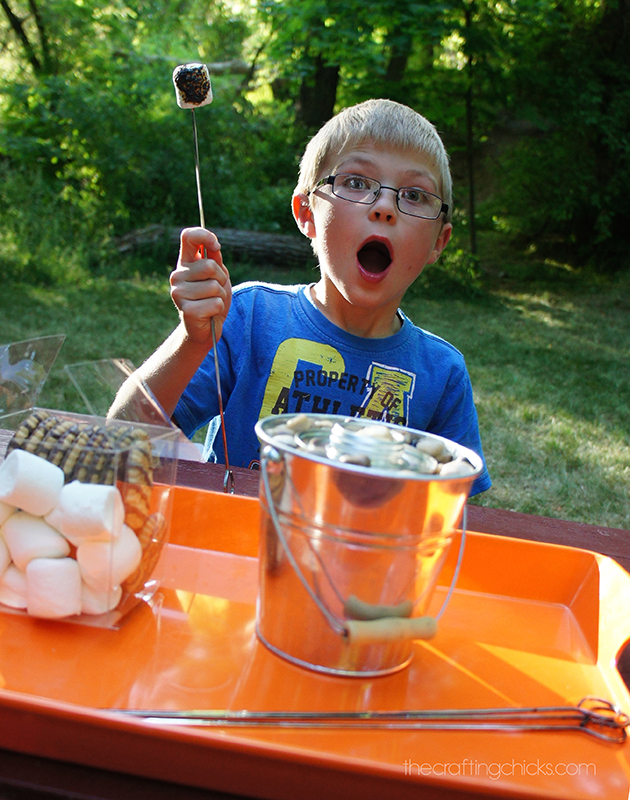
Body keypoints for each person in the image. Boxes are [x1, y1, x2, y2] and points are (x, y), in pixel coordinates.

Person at [111, 98, 491, 495]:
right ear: (306, 212)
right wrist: (192, 343)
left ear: (438, 243)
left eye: (414, 195)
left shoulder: (442, 374)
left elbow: (456, 517)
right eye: (357, 182)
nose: (384, 207)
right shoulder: (248, 317)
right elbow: (124, 430)